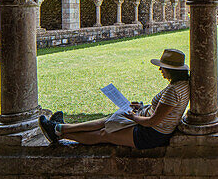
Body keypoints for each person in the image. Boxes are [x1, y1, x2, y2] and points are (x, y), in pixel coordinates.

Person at [38, 48, 190, 149]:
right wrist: (142, 107)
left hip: (151, 134)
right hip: (149, 124)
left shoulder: (173, 90)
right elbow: (166, 110)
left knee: (105, 134)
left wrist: (134, 117)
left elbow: (153, 121)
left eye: (162, 67)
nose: (160, 69)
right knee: (107, 120)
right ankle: (60, 127)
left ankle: (60, 133)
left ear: (170, 69)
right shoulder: (183, 84)